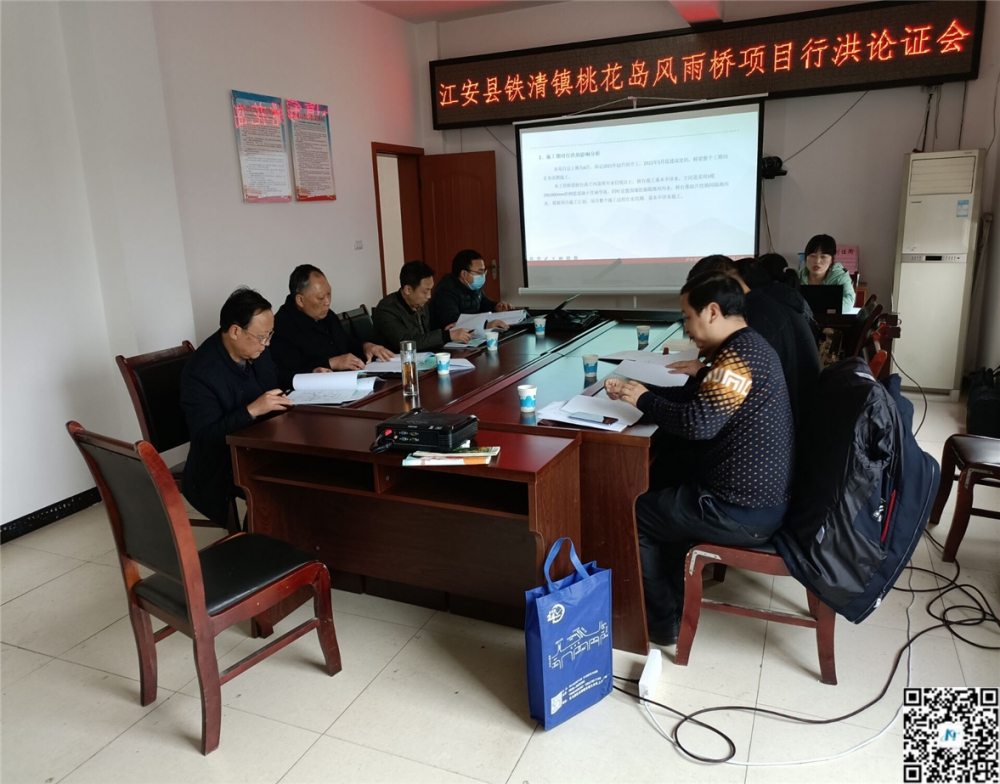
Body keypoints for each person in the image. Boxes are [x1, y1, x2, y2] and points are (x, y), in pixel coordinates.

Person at [606, 273, 794, 645]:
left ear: (711, 312)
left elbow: (699, 423)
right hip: (754, 500)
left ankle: (660, 622)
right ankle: (671, 604)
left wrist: (644, 399)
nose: (686, 328)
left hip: (742, 511)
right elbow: (699, 400)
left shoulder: (738, 359)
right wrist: (641, 391)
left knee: (636, 514)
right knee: (664, 488)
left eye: (687, 317)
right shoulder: (746, 346)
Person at [180, 287, 294, 524]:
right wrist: (252, 410)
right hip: (221, 461)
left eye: (269, 335)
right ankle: (259, 539)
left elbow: (274, 376)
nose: (266, 344)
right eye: (262, 337)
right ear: (235, 331)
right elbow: (206, 436)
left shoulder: (255, 349)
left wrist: (307, 378)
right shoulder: (201, 372)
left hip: (264, 441)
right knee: (284, 480)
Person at [681, 255, 820, 424]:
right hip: (788, 414)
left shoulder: (754, 321)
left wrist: (703, 372)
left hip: (779, 422)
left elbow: (709, 414)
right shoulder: (762, 303)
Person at [270, 264, 394, 377]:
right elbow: (284, 375)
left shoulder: (326, 315)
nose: (327, 302)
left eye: (329, 294)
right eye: (320, 298)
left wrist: (365, 347)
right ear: (300, 300)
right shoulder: (282, 327)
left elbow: (345, 342)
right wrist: (331, 363)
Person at [373, 260, 474, 351]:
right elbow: (406, 343)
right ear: (408, 290)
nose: (429, 296)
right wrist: (446, 336)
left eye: (430, 290)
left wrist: (446, 331)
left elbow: (425, 335)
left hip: (423, 357)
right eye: (425, 291)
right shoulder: (386, 310)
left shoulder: (420, 304)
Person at [429, 249, 516, 331]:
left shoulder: (471, 286)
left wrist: (496, 306)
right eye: (480, 272)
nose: (483, 275)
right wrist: (486, 325)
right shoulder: (445, 291)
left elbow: (482, 302)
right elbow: (453, 322)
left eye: (484, 271)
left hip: (471, 335)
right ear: (464, 274)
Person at [797, 234, 856, 312]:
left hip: (830, 318)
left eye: (823, 257)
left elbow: (849, 301)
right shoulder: (797, 277)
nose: (817, 261)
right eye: (812, 256)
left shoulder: (839, 276)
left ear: (831, 259)